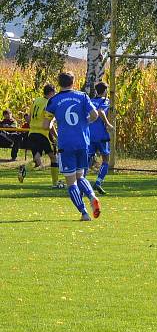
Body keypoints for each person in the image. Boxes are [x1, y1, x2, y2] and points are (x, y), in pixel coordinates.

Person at [46, 72, 101, 221]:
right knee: (80, 176)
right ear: (73, 81)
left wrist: (56, 127)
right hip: (83, 142)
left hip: (66, 144)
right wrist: (86, 123)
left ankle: (84, 213)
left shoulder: (54, 100)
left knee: (71, 182)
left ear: (59, 83)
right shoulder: (82, 96)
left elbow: (46, 124)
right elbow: (95, 115)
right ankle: (92, 196)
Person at [18, 85, 62, 189]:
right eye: (54, 93)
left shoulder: (36, 101)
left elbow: (28, 118)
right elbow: (49, 124)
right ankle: (55, 183)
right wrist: (56, 136)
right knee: (53, 157)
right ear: (51, 93)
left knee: (37, 159)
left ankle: (24, 168)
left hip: (32, 132)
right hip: (42, 134)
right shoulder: (49, 103)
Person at [88, 82, 114, 195]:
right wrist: (108, 124)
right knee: (106, 159)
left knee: (87, 159)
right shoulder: (105, 101)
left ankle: (81, 183)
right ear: (105, 91)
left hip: (89, 133)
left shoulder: (90, 100)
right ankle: (98, 182)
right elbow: (100, 111)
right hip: (101, 134)